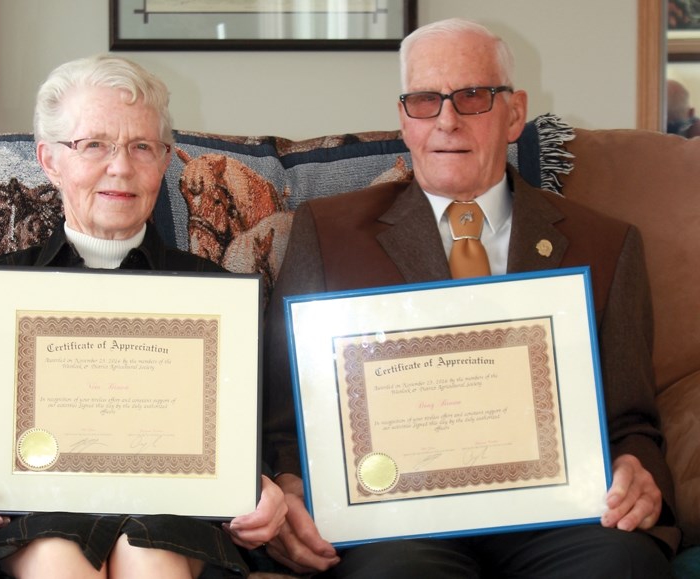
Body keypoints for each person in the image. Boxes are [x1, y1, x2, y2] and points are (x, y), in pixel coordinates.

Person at [262, 18, 679, 579]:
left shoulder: (605, 243)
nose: (447, 121)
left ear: (514, 113)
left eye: (473, 96)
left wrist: (636, 470)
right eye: (424, 101)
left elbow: (632, 418)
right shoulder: (327, 232)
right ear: (404, 119)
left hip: (562, 520)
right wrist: (290, 487)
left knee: (620, 566)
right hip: (396, 522)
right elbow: (287, 415)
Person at [0, 54, 287, 579]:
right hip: (40, 514)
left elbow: (245, 447)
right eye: (93, 144)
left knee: (150, 554)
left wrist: (261, 491)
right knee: (56, 556)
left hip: (172, 520)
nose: (120, 167)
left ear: (165, 160)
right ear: (50, 159)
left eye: (141, 146)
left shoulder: (215, 296)